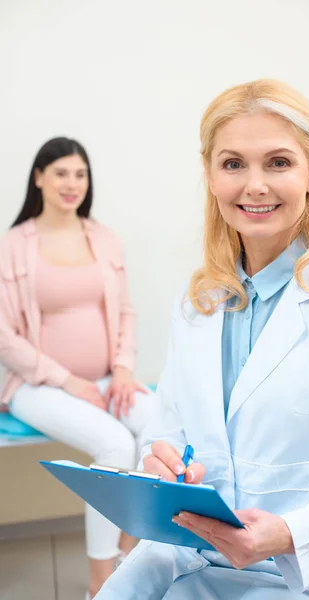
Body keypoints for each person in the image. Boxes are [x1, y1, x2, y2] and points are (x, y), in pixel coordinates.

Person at [94, 79, 309, 600]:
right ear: (211, 176)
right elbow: (164, 435)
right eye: (233, 164)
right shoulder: (199, 301)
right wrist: (160, 464)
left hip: (307, 574)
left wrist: (286, 533)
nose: (254, 185)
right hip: (188, 558)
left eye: (278, 162)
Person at [0, 137, 158, 599]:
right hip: (36, 385)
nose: (73, 184)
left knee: (160, 427)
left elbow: (126, 311)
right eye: (62, 173)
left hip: (107, 378)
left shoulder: (102, 237)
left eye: (80, 174)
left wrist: (124, 370)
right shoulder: (14, 245)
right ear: (39, 178)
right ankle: (101, 584)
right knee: (114, 444)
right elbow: (4, 336)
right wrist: (68, 381)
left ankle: (132, 548)